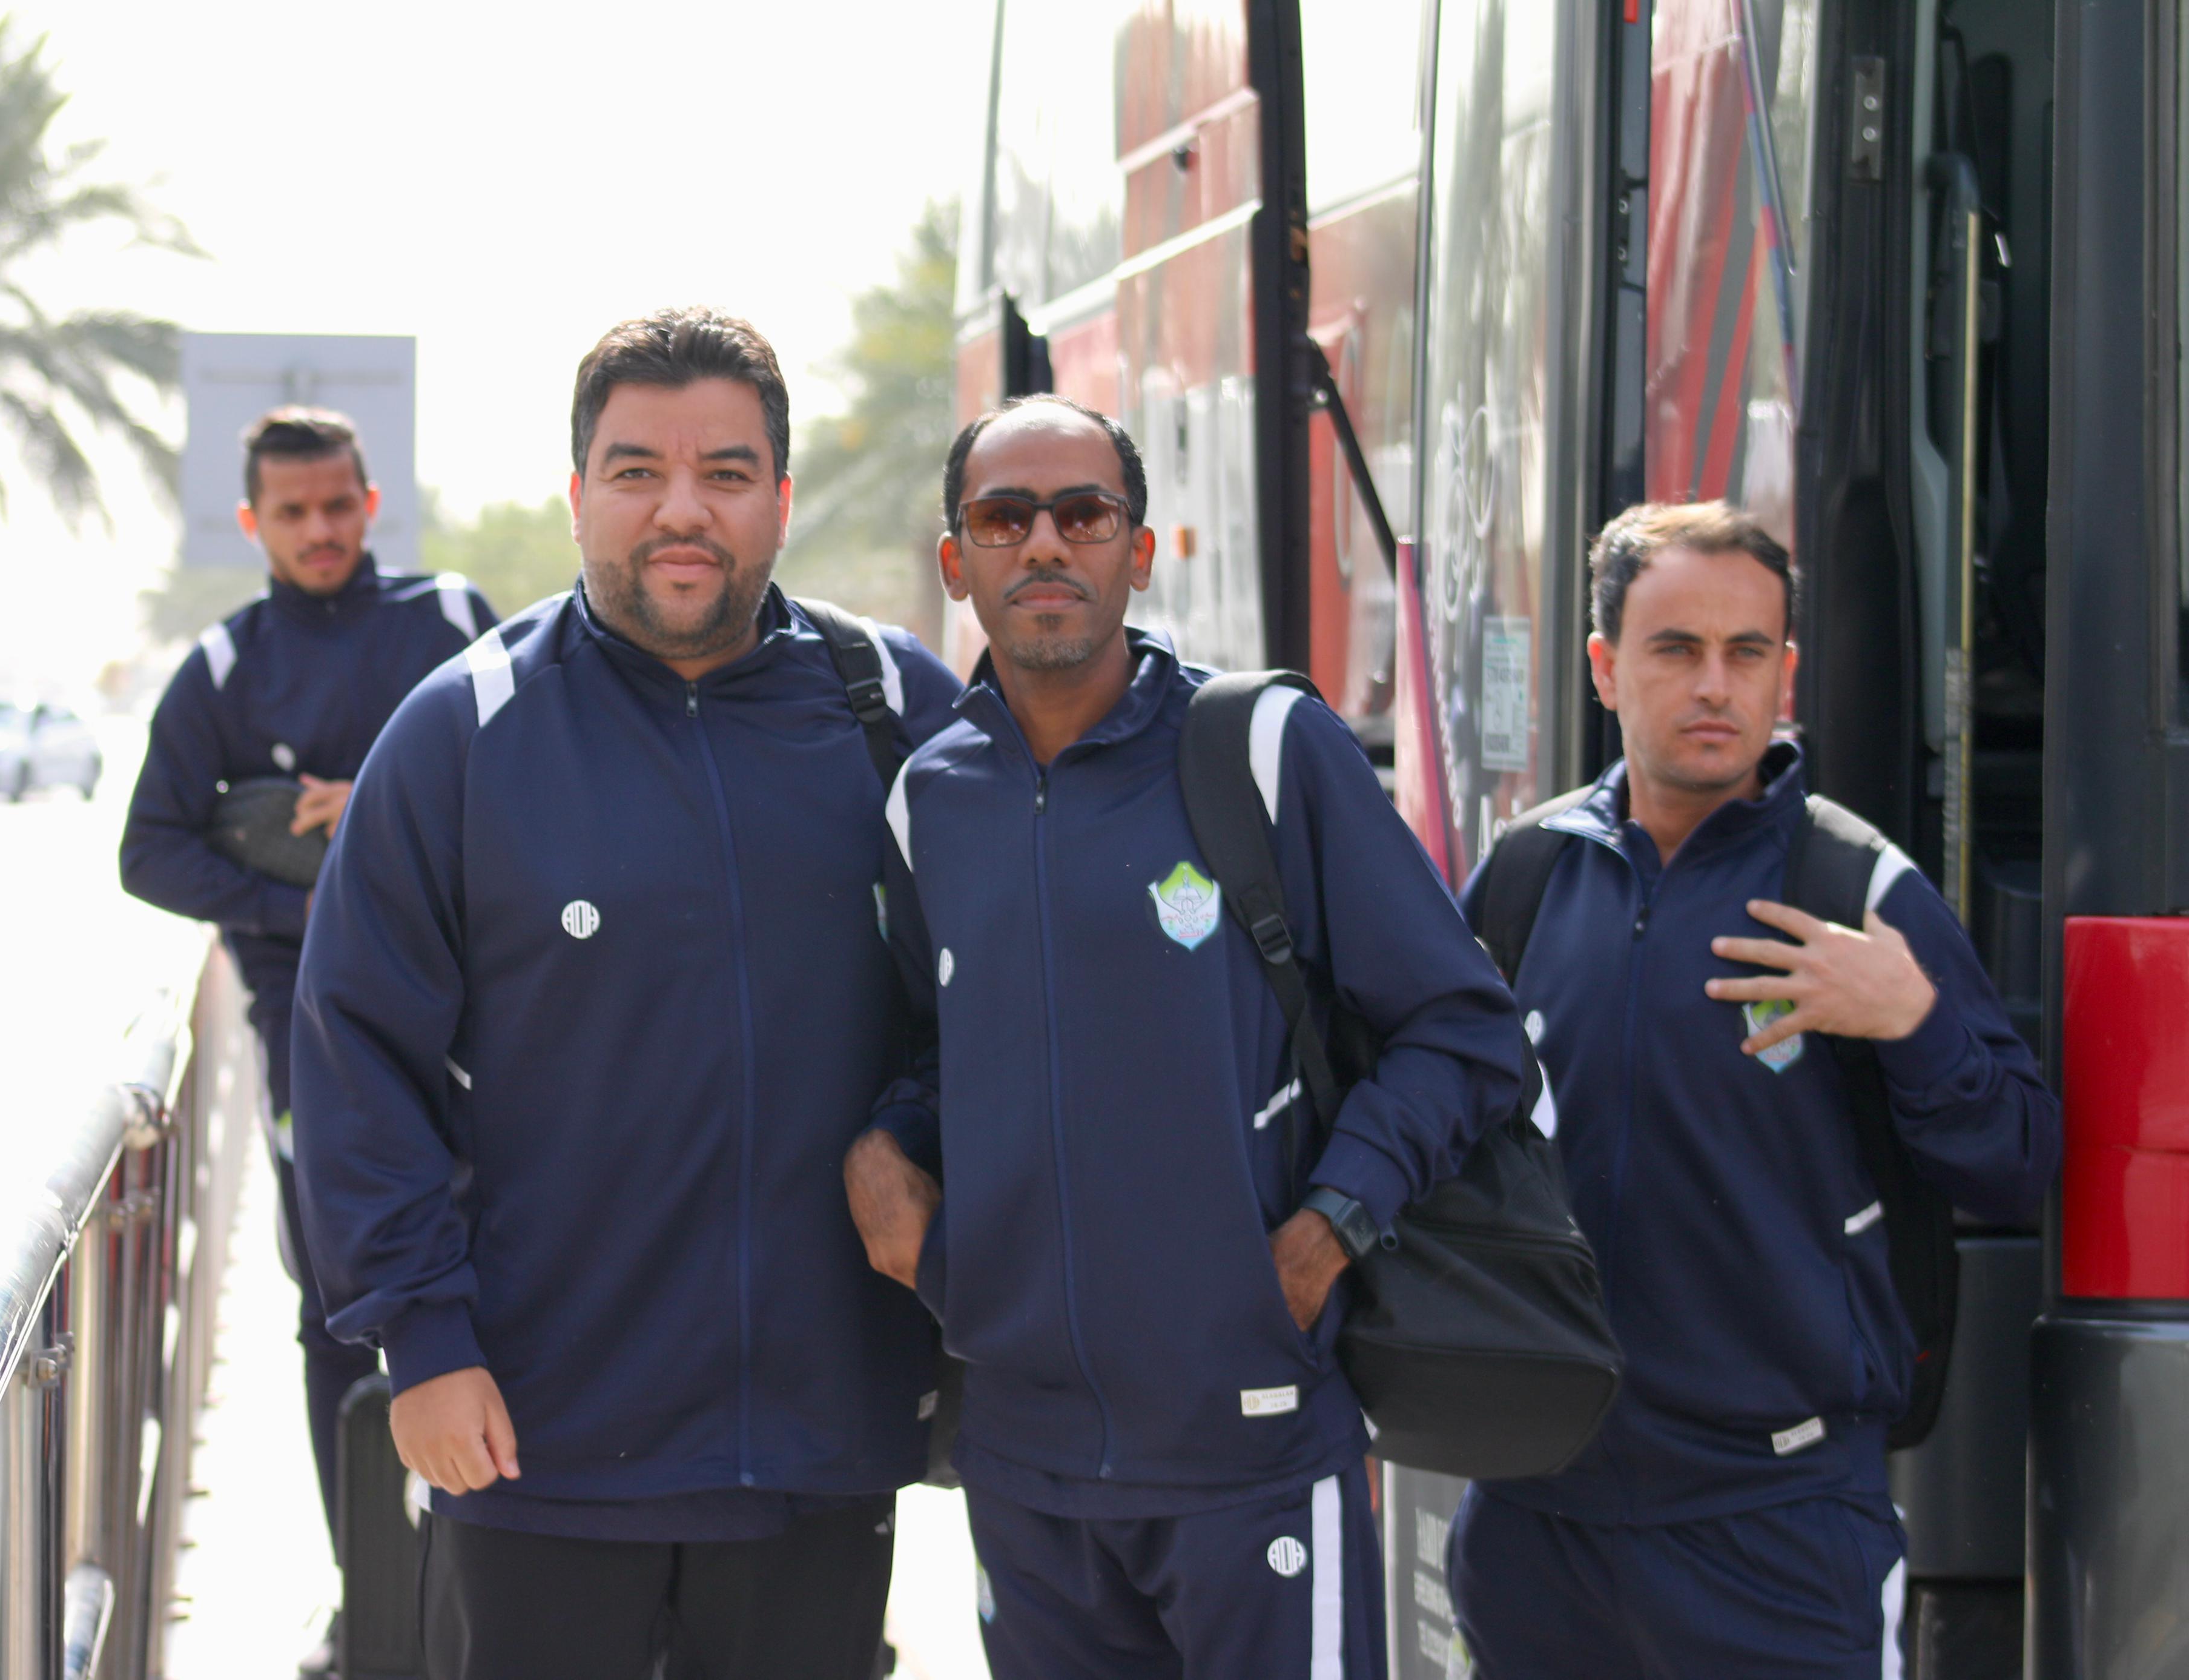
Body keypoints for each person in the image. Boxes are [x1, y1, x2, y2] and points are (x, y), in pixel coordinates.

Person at [289, 307, 962, 1680]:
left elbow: (1007, 1002)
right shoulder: (463, 731)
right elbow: (355, 1052)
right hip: (533, 1439)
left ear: (782, 497)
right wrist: (421, 1337)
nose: (682, 510)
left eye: (726, 473)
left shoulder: (895, 708)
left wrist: (912, 1142)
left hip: (819, 1441)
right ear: (578, 493)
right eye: (638, 470)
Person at [842, 394, 1524, 1678]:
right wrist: (887, 1149)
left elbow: (1465, 1031)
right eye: (1004, 517)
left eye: (1084, 513)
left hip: (1250, 1449)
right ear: (957, 562)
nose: (1047, 542)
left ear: (1140, 551)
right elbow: (939, 1053)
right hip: (1025, 1468)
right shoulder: (929, 797)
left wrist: (1329, 1229)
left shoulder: (1263, 749)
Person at [1445, 501, 2059, 1679]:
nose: (1715, 686)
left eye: (1747, 652)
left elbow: (2017, 1162)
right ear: (1604, 667)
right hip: (1535, 1527)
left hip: (1777, 1535)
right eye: (1676, 649)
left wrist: (1914, 1022)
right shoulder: (1526, 876)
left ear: (1787, 670)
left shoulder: (1857, 887)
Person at [117, 406, 497, 1672]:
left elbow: (543, 773)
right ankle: (373, 1601)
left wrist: (381, 801)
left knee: (512, 1280)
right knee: (342, 1310)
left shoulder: (454, 620)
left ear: (370, 500)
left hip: (485, 1017)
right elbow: (148, 852)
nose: (321, 529)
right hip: (311, 1038)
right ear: (253, 522)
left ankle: (506, 1585)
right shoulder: (225, 668)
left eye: (340, 505)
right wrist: (313, 903)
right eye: (293, 513)